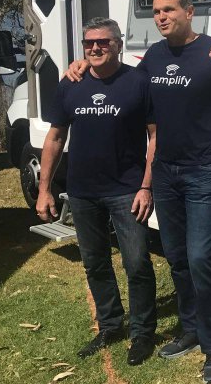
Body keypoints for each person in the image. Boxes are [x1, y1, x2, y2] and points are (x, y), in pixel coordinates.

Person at [67, 0, 211, 384]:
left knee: (202, 257)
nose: (161, 17)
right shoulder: (153, 57)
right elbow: (124, 85)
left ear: (189, 11)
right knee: (177, 257)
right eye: (156, 12)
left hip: (206, 170)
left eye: (169, 9)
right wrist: (83, 66)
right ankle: (190, 328)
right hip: (166, 172)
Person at [37, 18, 158, 366]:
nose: (95, 48)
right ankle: (110, 325)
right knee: (95, 263)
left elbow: (155, 136)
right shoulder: (70, 84)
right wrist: (45, 189)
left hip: (127, 190)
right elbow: (55, 137)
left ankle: (142, 333)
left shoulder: (137, 82)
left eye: (103, 42)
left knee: (137, 262)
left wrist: (146, 186)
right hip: (83, 191)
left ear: (118, 44)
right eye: (88, 43)